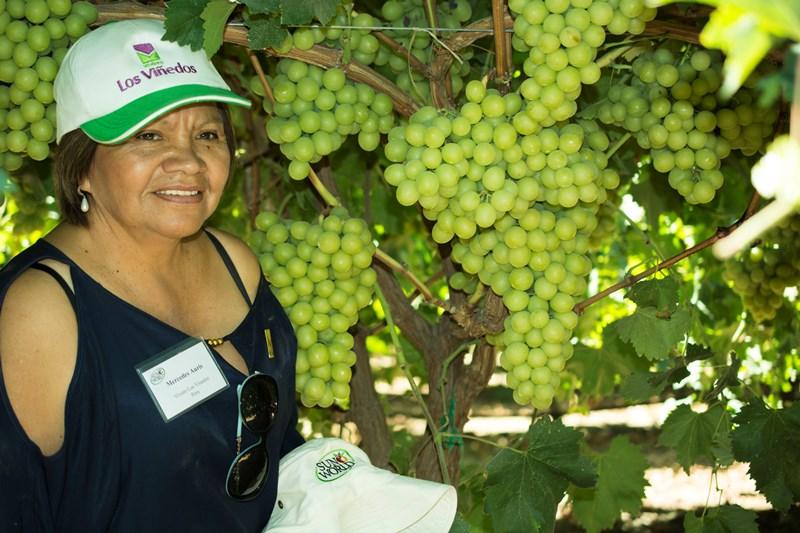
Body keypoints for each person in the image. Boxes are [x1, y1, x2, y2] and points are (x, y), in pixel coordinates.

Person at [0, 19, 303, 532]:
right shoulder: (40, 312)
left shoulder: (236, 264)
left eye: (207, 133)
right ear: (81, 168)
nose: (187, 160)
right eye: (148, 135)